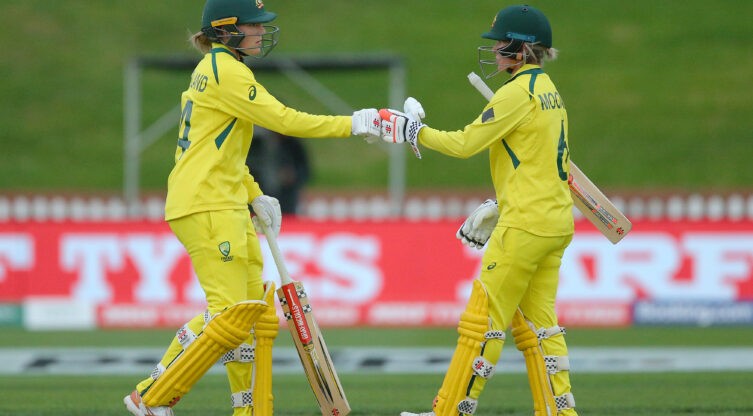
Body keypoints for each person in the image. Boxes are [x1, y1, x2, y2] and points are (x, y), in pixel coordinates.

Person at [122, 0, 381, 415]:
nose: (261, 32)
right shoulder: (227, 72)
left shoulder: (217, 67)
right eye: (253, 25)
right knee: (230, 317)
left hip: (223, 200)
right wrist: (356, 122)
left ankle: (246, 409)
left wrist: (254, 193)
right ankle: (151, 397)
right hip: (207, 204)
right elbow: (286, 120)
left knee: (246, 314)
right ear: (226, 30)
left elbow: (223, 152)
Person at [379, 5, 577, 416]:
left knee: (481, 321)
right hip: (554, 221)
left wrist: (414, 131)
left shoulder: (516, 93)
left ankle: (449, 411)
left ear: (522, 49)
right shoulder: (549, 91)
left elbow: (464, 144)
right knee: (541, 327)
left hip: (524, 227)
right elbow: (535, 162)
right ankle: (558, 410)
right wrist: (503, 202)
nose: (495, 51)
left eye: (502, 44)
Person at [246, 126, 310, 215]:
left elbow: (304, 169)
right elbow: (248, 166)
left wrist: (293, 176)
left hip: (286, 198)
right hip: (259, 196)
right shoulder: (256, 144)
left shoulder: (293, 145)